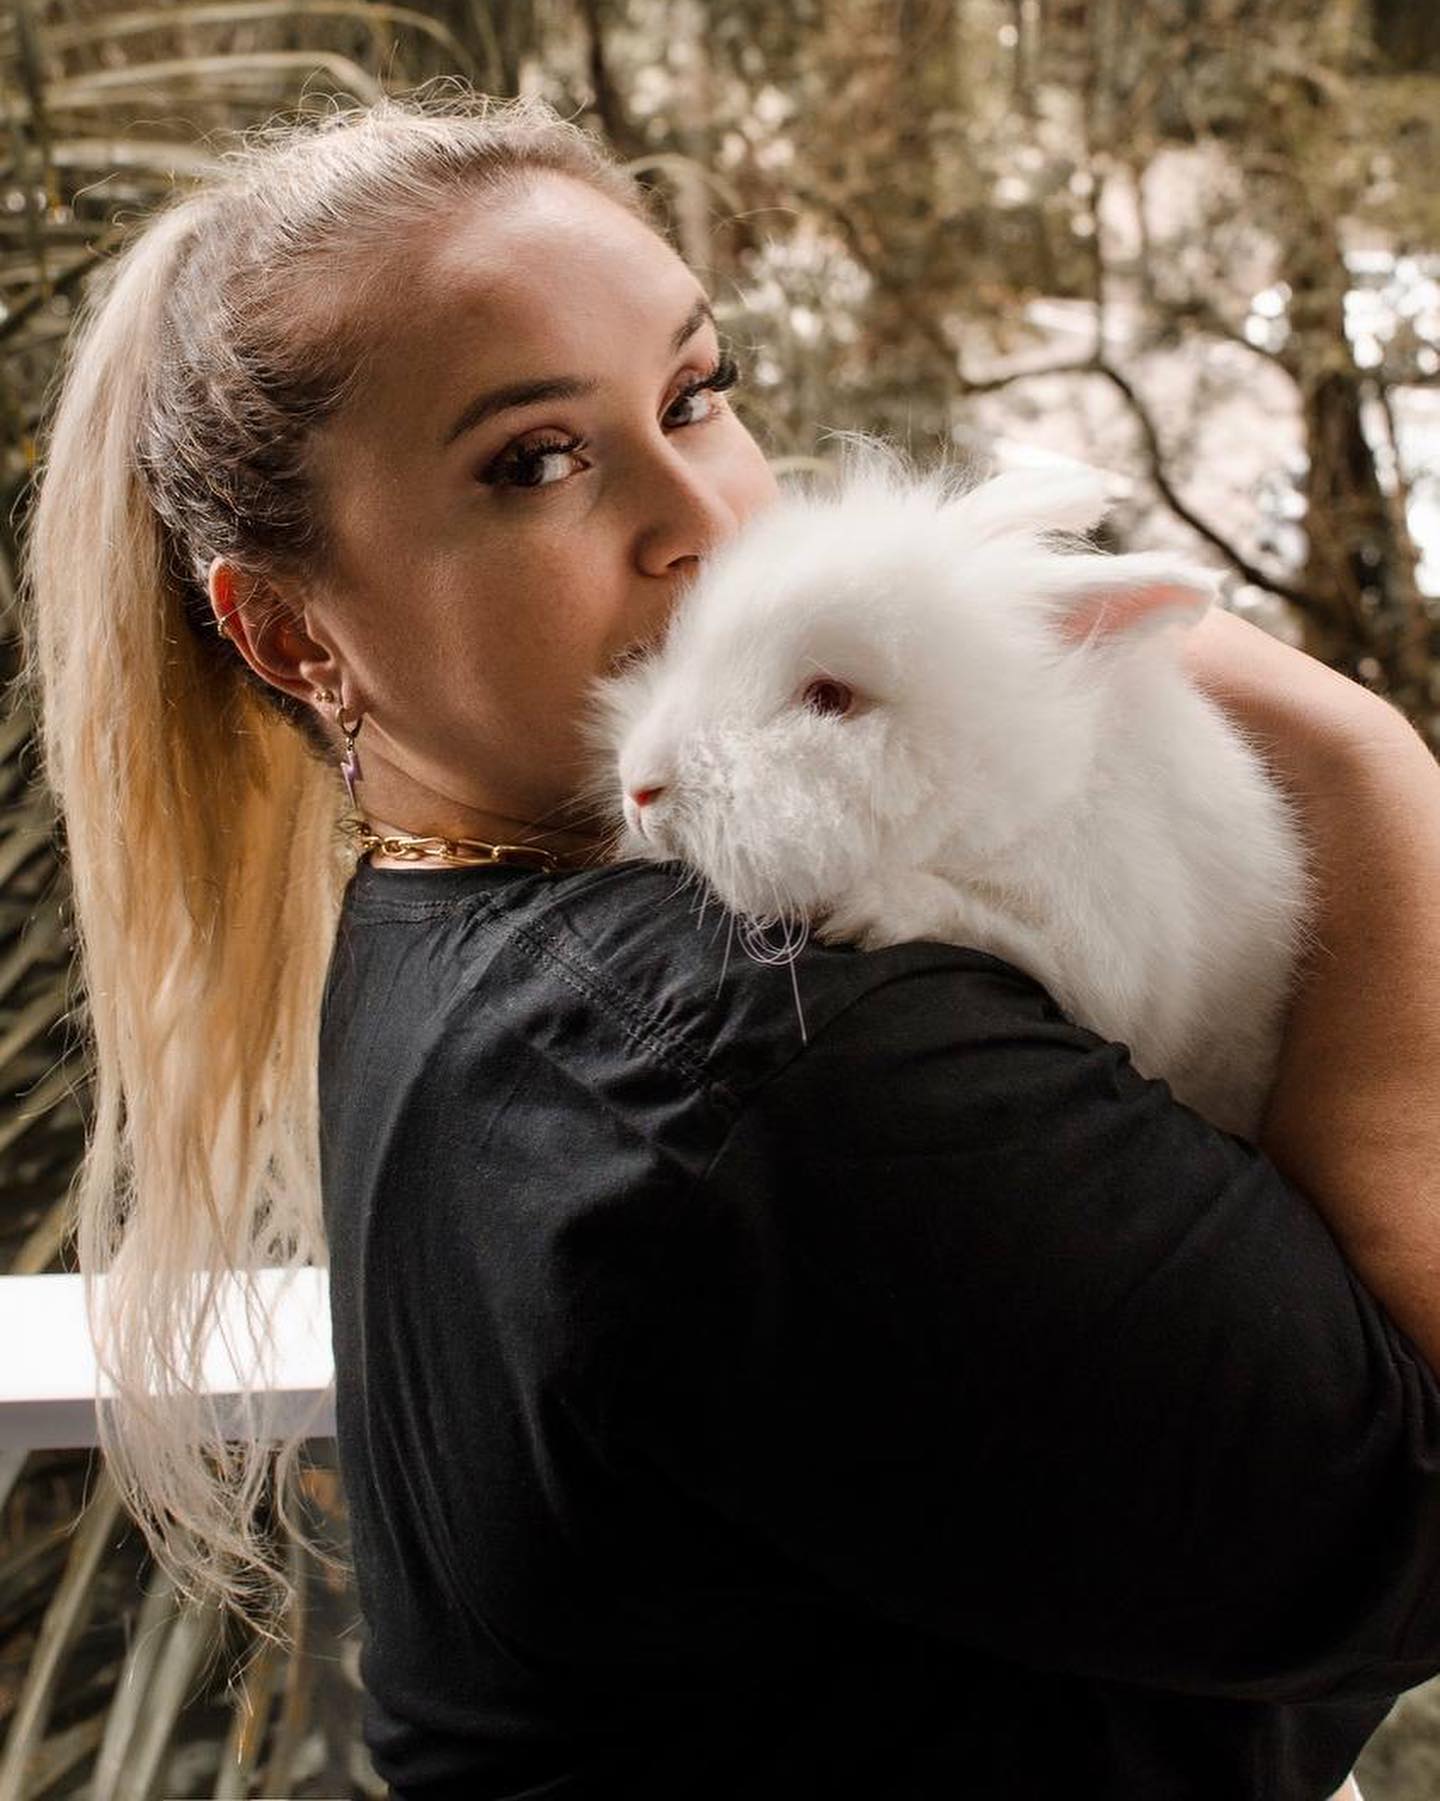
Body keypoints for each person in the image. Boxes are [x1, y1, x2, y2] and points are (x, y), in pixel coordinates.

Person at [16, 81, 1440, 1801]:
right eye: (536, 460)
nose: (702, 512)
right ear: (293, 634)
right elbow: (1409, 1510)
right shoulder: (750, 1056)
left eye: (696, 391)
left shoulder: (445, 906)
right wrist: (1368, 770)